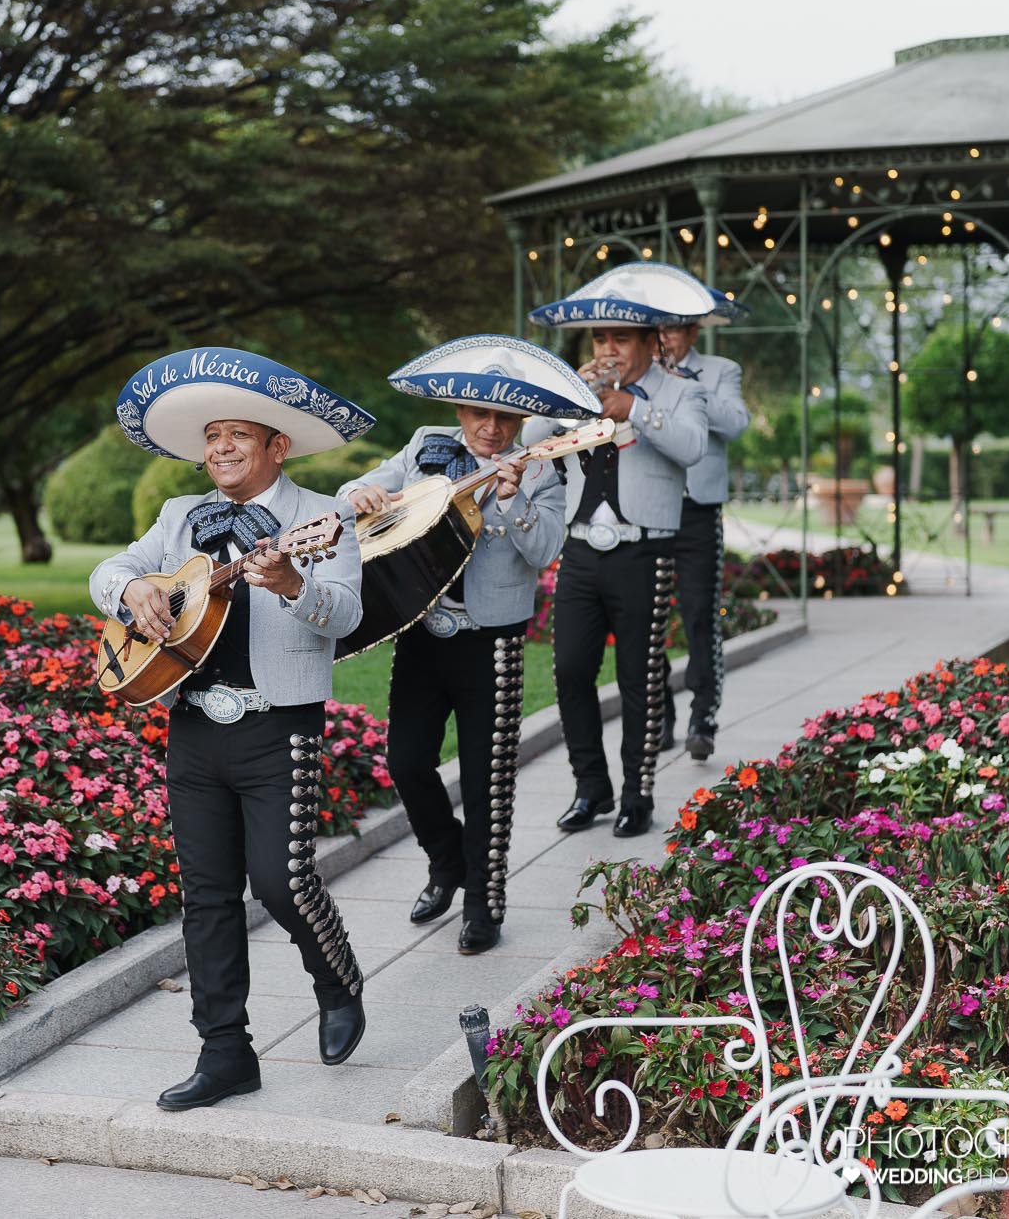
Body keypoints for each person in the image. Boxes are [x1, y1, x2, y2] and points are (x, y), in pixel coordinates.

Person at [90, 347, 374, 1112]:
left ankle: (337, 979)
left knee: (282, 881)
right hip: (193, 727)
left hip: (279, 726)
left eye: (238, 433)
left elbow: (347, 613)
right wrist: (137, 590)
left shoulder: (322, 518)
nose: (220, 446)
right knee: (206, 894)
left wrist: (295, 582)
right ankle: (225, 1052)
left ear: (276, 446)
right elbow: (107, 571)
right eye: (212, 434)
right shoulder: (179, 517)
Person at [336, 336, 587, 955]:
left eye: (507, 417)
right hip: (423, 633)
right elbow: (356, 493)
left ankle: (484, 902)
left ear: (523, 419)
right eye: (482, 414)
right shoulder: (426, 446)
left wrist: (512, 499)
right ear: (460, 411)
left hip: (493, 643)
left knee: (488, 779)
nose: (494, 428)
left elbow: (545, 550)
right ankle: (447, 861)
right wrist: (358, 495)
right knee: (407, 762)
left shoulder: (542, 466)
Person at [523, 264, 711, 838]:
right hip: (580, 553)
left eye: (620, 339)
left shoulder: (682, 392)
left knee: (639, 679)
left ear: (651, 343)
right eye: (601, 338)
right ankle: (591, 788)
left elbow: (694, 448)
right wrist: (568, 397)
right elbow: (530, 443)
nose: (608, 349)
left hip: (644, 554)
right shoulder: (579, 395)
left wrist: (635, 409)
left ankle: (638, 794)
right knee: (571, 672)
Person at [654, 289, 750, 762]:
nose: (665, 337)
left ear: (693, 331)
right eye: (661, 328)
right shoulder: (640, 372)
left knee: (698, 615)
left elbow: (735, 424)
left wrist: (685, 385)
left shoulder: (720, 370)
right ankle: (661, 718)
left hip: (698, 509)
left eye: (673, 328)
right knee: (649, 621)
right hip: (650, 508)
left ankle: (702, 718)